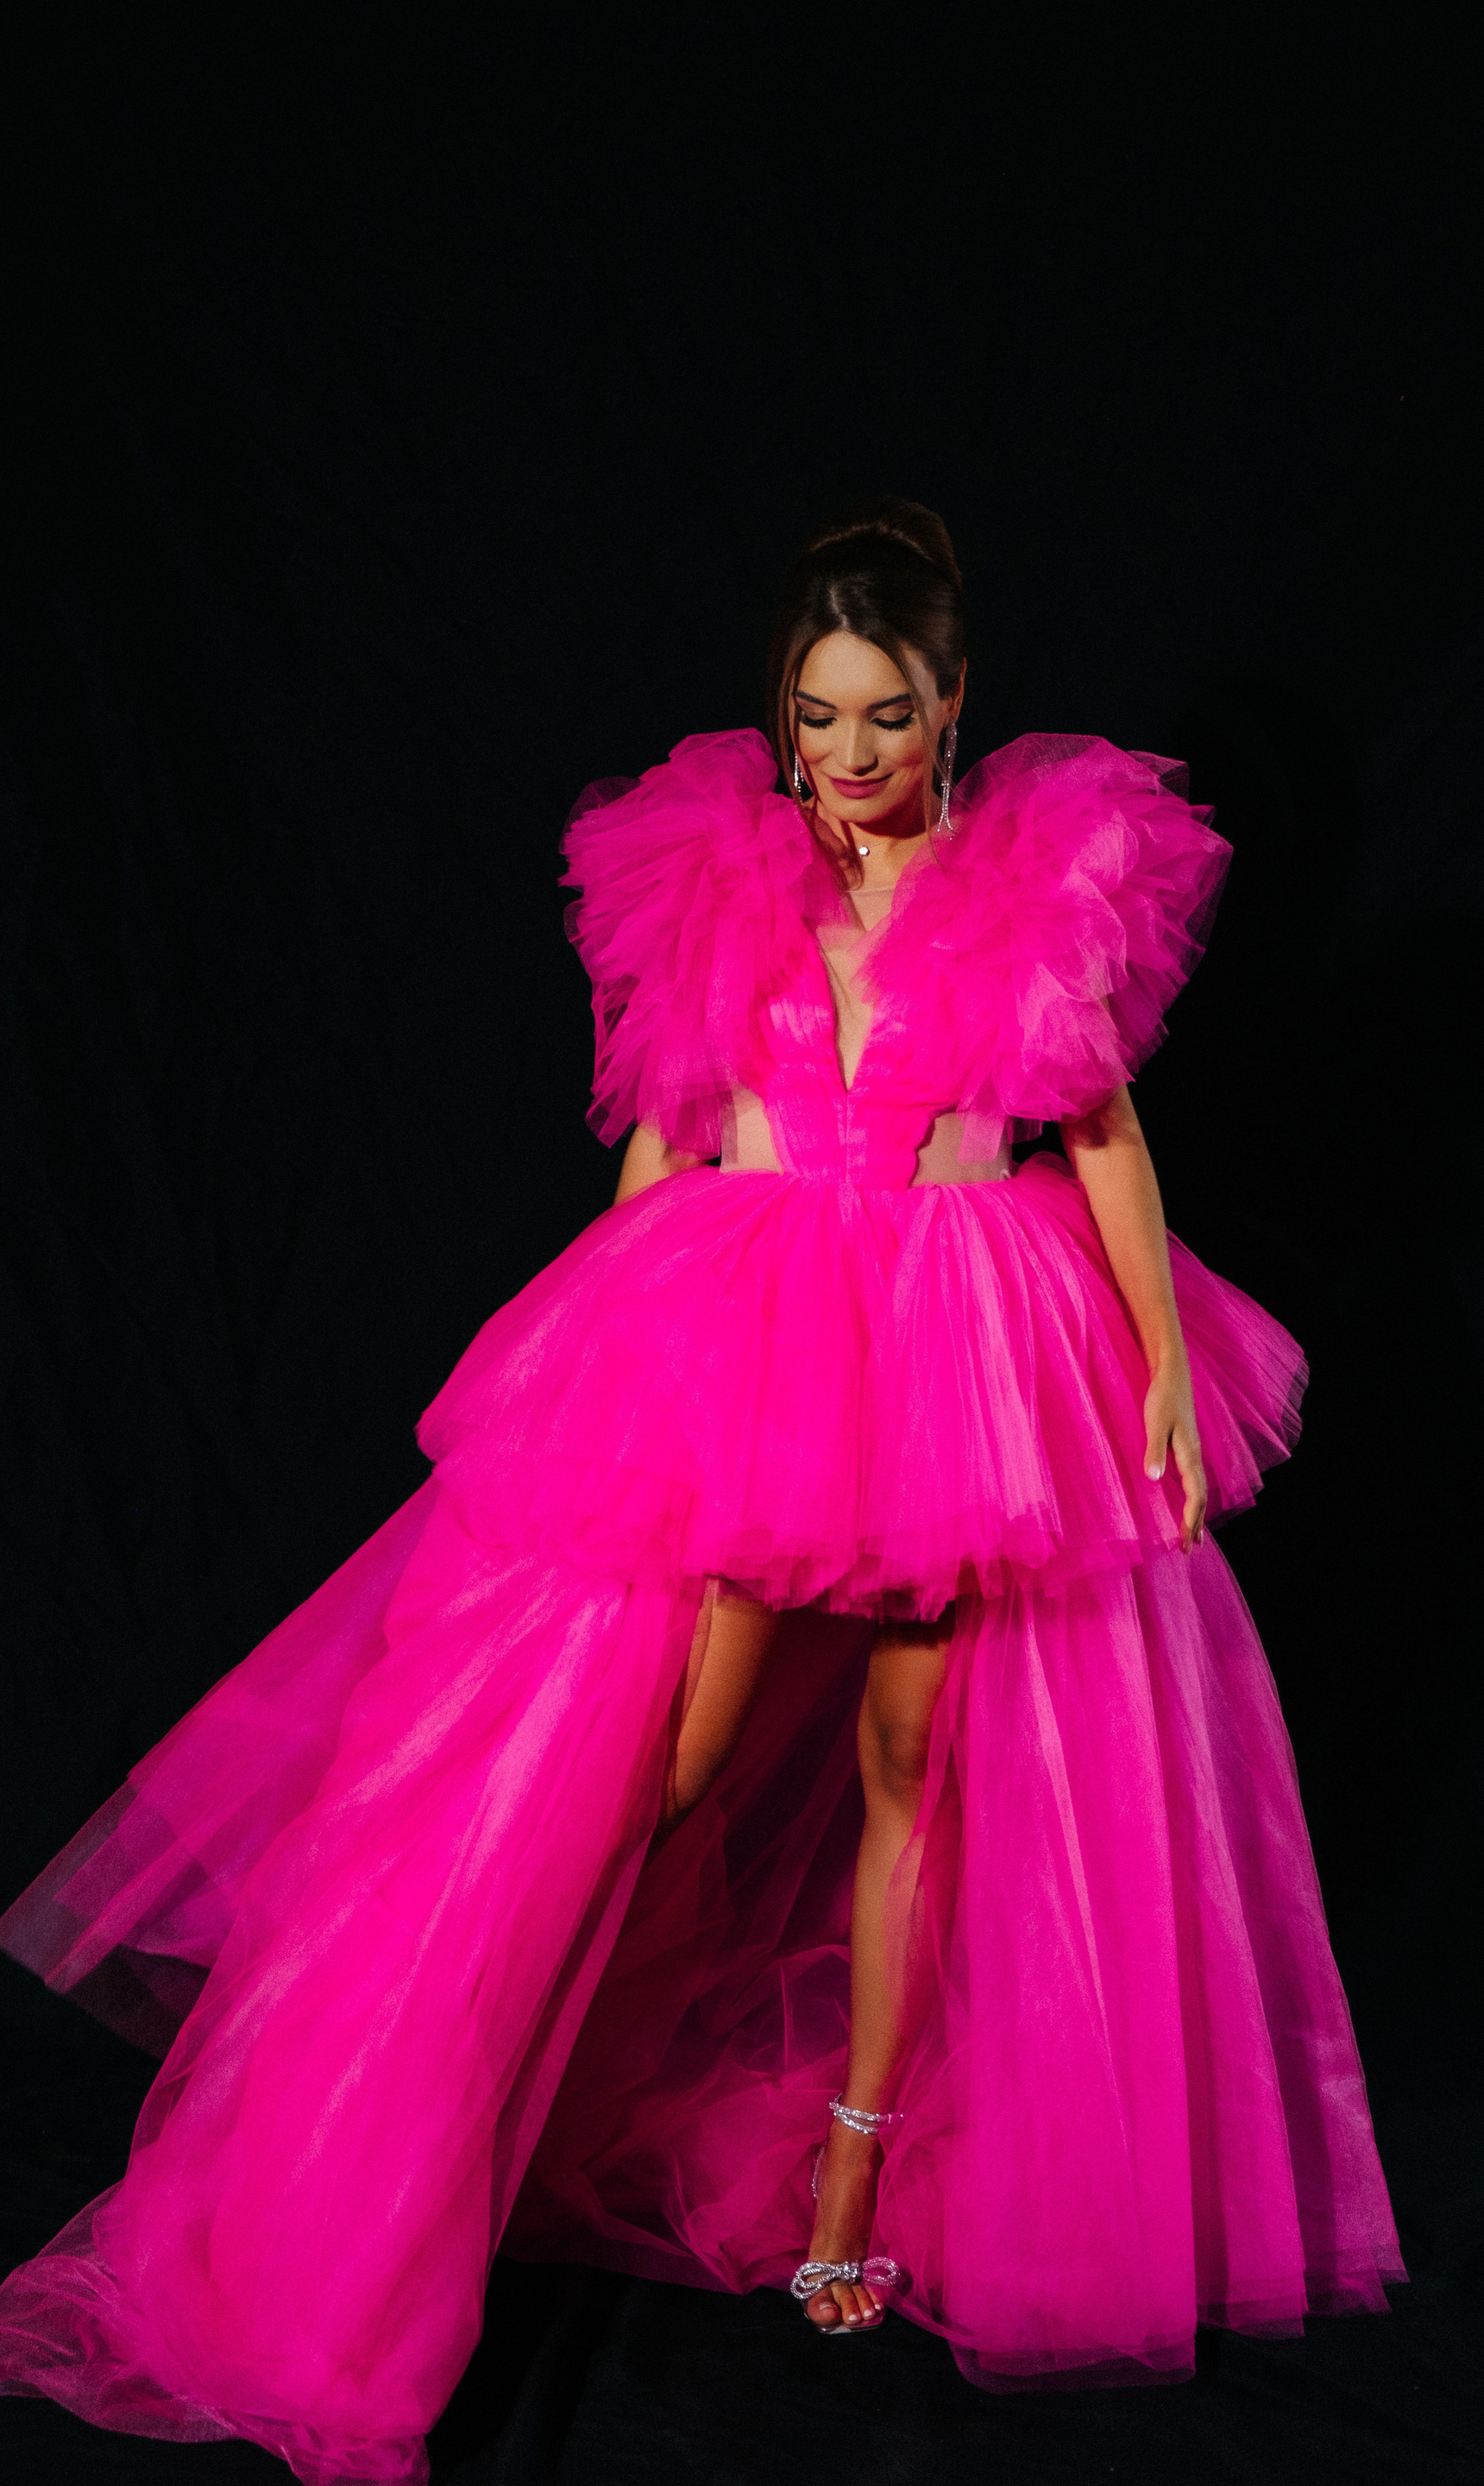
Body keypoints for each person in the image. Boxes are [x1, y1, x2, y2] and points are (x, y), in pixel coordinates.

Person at [0, 500, 1403, 2483]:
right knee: (648, 1763)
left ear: (953, 704)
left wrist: (1163, 1367)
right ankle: (475, 2116)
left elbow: (1098, 1132)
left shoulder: (1033, 881)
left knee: (922, 1771)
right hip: (754, 1350)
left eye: (887, 713)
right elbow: (667, 1152)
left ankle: (850, 2190)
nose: (849, 755)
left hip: (965, 1366)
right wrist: (590, 1362)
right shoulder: (719, 878)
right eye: (817, 716)